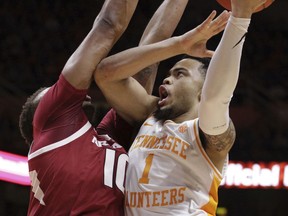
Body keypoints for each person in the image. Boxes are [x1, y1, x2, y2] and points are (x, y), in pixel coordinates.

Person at [18, 0, 192, 215]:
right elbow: (108, 24)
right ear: (43, 117)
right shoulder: (52, 119)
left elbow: (148, 60)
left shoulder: (108, 140)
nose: (63, 90)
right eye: (55, 91)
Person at [94, 0, 267, 215]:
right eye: (168, 74)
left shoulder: (207, 136)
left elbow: (215, 99)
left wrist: (240, 17)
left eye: (180, 74)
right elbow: (105, 74)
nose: (166, 80)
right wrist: (178, 45)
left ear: (201, 91)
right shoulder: (149, 114)